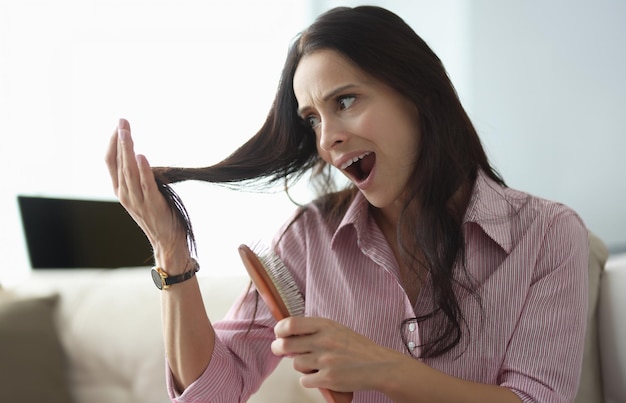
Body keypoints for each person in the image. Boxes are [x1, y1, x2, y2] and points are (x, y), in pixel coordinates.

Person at [105, 5, 589, 403]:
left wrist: (383, 370)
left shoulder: (547, 235)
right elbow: (213, 393)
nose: (328, 139)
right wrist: (171, 254)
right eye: (312, 119)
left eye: (345, 101)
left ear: (418, 94)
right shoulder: (308, 237)